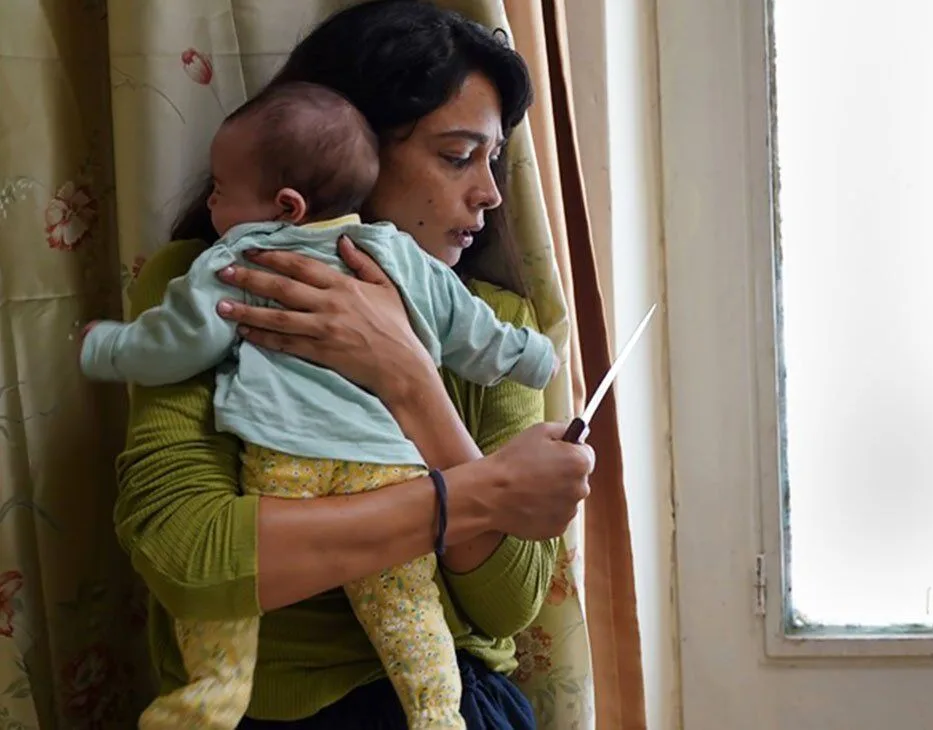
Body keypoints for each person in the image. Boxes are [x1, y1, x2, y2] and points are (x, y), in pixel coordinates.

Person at [114, 2, 593, 728]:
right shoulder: (212, 284)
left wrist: (408, 377)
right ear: (349, 149)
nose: (490, 194)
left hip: (456, 704)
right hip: (267, 710)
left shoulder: (497, 325)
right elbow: (189, 557)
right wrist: (484, 492)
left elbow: (508, 603)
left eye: (492, 159)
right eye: (457, 156)